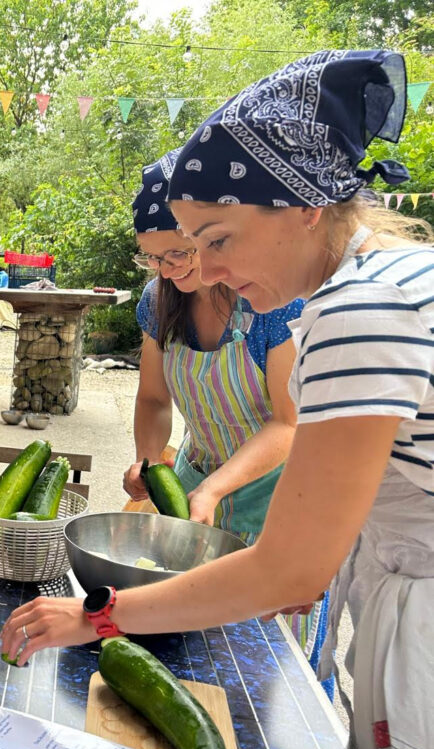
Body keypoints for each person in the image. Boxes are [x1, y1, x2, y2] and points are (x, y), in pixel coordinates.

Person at [2, 50, 432, 749]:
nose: (203, 269)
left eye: (218, 239)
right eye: (187, 247)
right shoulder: (396, 278)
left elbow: (288, 572)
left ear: (305, 204)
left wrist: (95, 616)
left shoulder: (360, 312)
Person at [126, 151, 328, 681]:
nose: (167, 269)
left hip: (277, 501)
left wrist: (213, 490)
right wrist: (149, 462)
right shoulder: (159, 301)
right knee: (187, 648)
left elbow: (287, 423)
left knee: (265, 668)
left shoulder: (270, 303)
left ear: (209, 238)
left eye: (178, 252)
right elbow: (153, 399)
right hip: (194, 483)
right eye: (153, 259)